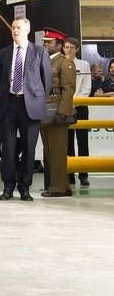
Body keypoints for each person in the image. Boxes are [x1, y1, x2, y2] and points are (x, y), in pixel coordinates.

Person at [0, 18, 52, 201]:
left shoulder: (39, 52)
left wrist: (36, 98)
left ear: (28, 29)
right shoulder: (3, 54)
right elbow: (1, 82)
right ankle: (8, 186)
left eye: (18, 27)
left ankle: (25, 187)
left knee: (29, 148)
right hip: (10, 105)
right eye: (13, 27)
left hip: (30, 106)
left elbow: (46, 82)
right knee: (9, 149)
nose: (15, 30)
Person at [41, 29, 76, 197]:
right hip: (44, 113)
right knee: (49, 152)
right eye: (45, 42)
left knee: (58, 153)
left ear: (60, 45)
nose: (46, 44)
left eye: (49, 42)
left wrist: (62, 113)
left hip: (57, 114)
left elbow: (68, 90)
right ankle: (59, 186)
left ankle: (59, 188)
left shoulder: (65, 63)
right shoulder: (44, 61)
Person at [65, 37, 90, 187]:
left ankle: (84, 174)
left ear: (77, 49)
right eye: (66, 47)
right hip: (65, 108)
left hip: (81, 107)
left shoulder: (84, 64)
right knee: (67, 143)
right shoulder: (60, 64)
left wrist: (77, 102)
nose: (69, 50)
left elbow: (87, 87)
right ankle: (70, 174)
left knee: (83, 142)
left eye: (71, 47)